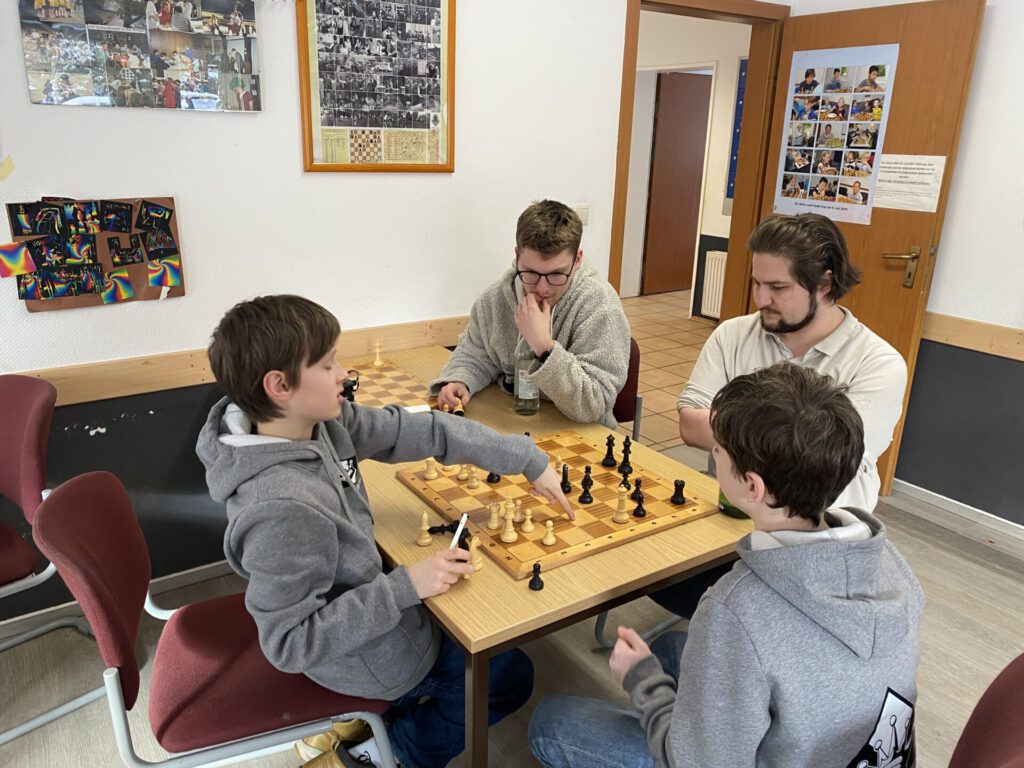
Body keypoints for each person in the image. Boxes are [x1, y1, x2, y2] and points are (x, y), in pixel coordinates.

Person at [196, 295, 572, 768]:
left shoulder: (313, 425)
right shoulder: (281, 509)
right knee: (507, 675)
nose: (343, 375)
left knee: (472, 618)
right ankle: (389, 752)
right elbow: (290, 643)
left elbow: (421, 430)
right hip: (372, 658)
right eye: (328, 365)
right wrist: (405, 586)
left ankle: (357, 722)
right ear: (280, 386)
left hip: (377, 618)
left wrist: (526, 458)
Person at [529, 363, 924, 768]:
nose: (712, 455)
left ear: (752, 486)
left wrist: (643, 682)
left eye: (716, 450)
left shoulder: (734, 610)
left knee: (551, 721)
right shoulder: (892, 563)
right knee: (671, 649)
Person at [654, 212, 907, 619]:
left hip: (816, 552)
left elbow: (822, 461)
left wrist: (732, 428)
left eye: (777, 287)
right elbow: (690, 425)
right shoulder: (732, 334)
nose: (760, 299)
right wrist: (779, 435)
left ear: (824, 283)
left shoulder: (879, 364)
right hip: (728, 521)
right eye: (756, 283)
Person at [430, 200, 630, 428]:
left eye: (557, 274)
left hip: (581, 433)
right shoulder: (493, 299)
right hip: (514, 424)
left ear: (577, 260)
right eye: (531, 273)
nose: (543, 288)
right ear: (517, 256)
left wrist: (544, 347)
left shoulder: (601, 305)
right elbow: (474, 354)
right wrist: (460, 380)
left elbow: (593, 403)